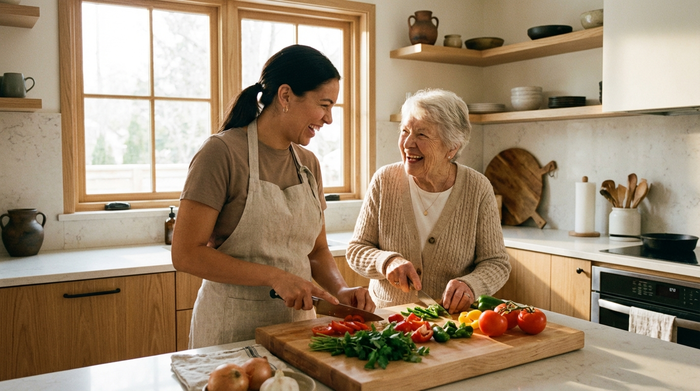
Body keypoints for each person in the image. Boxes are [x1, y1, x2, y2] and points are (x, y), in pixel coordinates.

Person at [171, 45, 375, 348]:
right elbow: (186, 253)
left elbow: (316, 250)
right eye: (324, 104)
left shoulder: (309, 164)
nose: (329, 118)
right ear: (285, 96)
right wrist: (275, 276)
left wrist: (341, 291)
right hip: (230, 331)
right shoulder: (221, 152)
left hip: (297, 331)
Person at [346, 88, 510, 314]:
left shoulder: (477, 188)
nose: (408, 143)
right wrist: (387, 262)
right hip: (388, 319)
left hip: (451, 324)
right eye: (405, 131)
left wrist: (471, 286)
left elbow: (496, 263)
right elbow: (357, 249)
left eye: (421, 135)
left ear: (452, 147)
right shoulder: (384, 181)